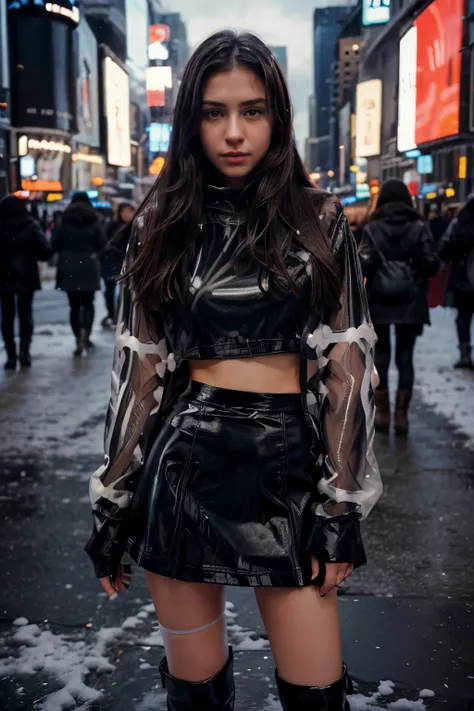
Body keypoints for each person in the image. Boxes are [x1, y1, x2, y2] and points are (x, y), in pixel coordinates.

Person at [85, 31, 382, 711]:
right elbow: (137, 372)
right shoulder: (161, 220)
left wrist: (339, 508)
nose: (234, 131)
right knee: (196, 698)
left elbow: (347, 367)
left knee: (316, 695)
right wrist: (111, 504)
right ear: (191, 119)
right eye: (214, 112)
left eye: (252, 110)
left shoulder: (320, 219)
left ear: (276, 116)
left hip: (289, 472)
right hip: (185, 471)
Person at [359, 179, 439, 435]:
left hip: (380, 301)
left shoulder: (372, 228)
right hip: (411, 301)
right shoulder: (419, 227)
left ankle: (382, 414)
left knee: (381, 356)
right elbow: (431, 263)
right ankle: (402, 417)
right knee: (406, 358)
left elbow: (363, 263)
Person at [0, 195, 51, 369]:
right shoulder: (31, 225)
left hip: (4, 276)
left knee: (7, 317)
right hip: (27, 275)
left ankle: (10, 355)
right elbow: (45, 252)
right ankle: (24, 353)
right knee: (25, 314)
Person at [52, 192, 104, 356]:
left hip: (68, 265)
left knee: (74, 306)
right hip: (89, 263)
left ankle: (77, 338)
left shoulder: (64, 221)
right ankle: (86, 335)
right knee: (88, 303)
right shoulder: (94, 221)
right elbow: (102, 244)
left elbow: (54, 244)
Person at [438, 195, 474, 369]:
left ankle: (465, 354)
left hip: (464, 279)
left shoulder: (457, 224)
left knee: (463, 318)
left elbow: (444, 249)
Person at [100, 202, 134, 328]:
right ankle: (112, 314)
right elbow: (106, 245)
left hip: (128, 264)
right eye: (124, 211)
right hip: (112, 263)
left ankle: (120, 317)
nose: (127, 214)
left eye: (130, 211)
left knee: (124, 292)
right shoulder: (112, 227)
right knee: (109, 291)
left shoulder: (136, 227)